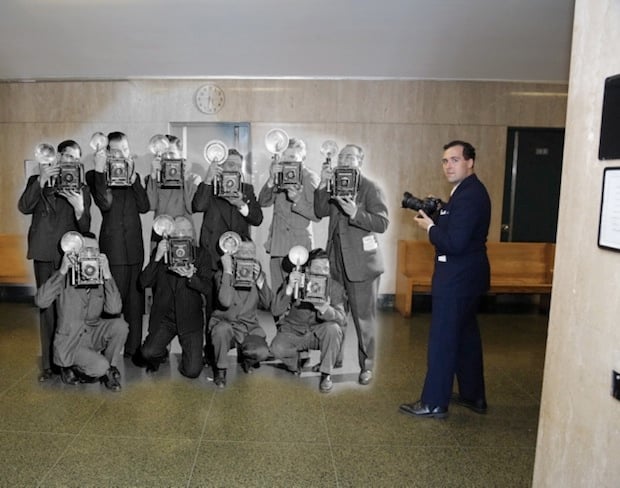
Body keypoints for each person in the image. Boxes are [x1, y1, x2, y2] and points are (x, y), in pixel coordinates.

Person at [399, 140, 491, 419]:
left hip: (457, 280)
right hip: (467, 278)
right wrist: (441, 212)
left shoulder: (470, 195)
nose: (448, 166)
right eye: (445, 161)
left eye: (455, 160)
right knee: (465, 338)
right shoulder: (466, 192)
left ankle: (434, 402)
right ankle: (473, 395)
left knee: (443, 341)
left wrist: (430, 228)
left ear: (470, 162)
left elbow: (455, 242)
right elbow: (459, 229)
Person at [314, 144, 388, 385]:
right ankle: (333, 359)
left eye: (350, 157)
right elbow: (319, 210)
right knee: (336, 316)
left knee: (363, 319)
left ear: (360, 161)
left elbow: (382, 223)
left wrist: (356, 213)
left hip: (361, 265)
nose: (344, 160)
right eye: (342, 156)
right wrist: (322, 186)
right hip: (335, 262)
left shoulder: (370, 187)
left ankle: (366, 366)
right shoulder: (335, 183)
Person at [18, 139, 92, 382]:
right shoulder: (37, 180)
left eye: (75, 158)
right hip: (42, 252)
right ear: (59, 156)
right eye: (67, 156)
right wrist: (40, 180)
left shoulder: (82, 186)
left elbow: (85, 227)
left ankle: (65, 362)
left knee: (68, 311)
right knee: (46, 308)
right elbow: (24, 207)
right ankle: (49, 365)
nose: (70, 161)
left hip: (68, 256)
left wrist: (79, 207)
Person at [34, 233, 128, 391]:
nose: (91, 254)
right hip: (71, 341)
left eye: (95, 250)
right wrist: (63, 271)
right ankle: (72, 368)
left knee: (121, 326)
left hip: (92, 333)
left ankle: (109, 369)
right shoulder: (63, 276)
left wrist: (107, 275)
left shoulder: (99, 276)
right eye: (86, 250)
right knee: (98, 367)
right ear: (75, 252)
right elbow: (41, 301)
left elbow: (114, 309)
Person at [192, 148, 263, 355]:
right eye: (229, 164)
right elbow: (198, 205)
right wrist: (207, 179)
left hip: (240, 259)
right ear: (221, 166)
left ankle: (245, 349)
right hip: (213, 257)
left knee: (241, 306)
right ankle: (212, 351)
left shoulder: (246, 189)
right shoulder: (211, 187)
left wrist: (240, 203)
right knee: (212, 307)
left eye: (237, 166)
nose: (234, 169)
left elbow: (257, 218)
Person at [86, 131, 150, 359]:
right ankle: (105, 351)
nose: (122, 154)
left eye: (125, 149)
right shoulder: (95, 176)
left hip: (135, 248)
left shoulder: (135, 176)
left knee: (135, 302)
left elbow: (144, 207)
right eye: (116, 151)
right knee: (112, 301)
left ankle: (133, 349)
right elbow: (104, 202)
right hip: (113, 249)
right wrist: (101, 170)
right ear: (106, 153)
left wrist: (134, 181)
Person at [133, 216, 208, 379]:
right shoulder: (161, 251)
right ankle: (160, 353)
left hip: (190, 318)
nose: (185, 234)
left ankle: (189, 358)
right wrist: (158, 256)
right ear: (170, 234)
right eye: (180, 231)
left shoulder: (201, 254)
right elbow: (143, 282)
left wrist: (192, 277)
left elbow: (208, 288)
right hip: (165, 318)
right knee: (148, 353)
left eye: (189, 231)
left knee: (193, 371)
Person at [270, 248, 347, 393]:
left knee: (333, 329)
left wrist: (325, 308)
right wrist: (289, 288)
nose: (322, 272)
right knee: (276, 348)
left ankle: (326, 375)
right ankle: (294, 363)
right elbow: (275, 310)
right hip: (294, 331)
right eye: (317, 268)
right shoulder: (295, 281)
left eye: (326, 268)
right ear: (307, 269)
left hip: (318, 334)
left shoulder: (335, 287)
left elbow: (342, 319)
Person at [257, 137, 320, 293]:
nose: (287, 160)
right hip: (277, 245)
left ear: (302, 158)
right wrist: (271, 179)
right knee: (280, 294)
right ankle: (280, 318)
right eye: (285, 156)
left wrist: (298, 200)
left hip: (298, 247)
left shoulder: (309, 177)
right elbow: (263, 202)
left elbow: (317, 215)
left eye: (292, 157)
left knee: (297, 294)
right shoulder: (278, 176)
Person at [208, 238, 272, 388]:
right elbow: (225, 301)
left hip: (248, 328)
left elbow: (269, 304)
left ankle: (247, 359)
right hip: (226, 325)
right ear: (234, 254)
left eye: (251, 252)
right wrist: (228, 271)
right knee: (221, 330)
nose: (247, 256)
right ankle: (221, 370)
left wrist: (260, 282)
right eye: (243, 252)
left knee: (261, 352)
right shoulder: (222, 274)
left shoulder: (258, 275)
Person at [145, 134, 201, 244]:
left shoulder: (194, 178)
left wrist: (185, 179)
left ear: (180, 155)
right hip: (161, 233)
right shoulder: (152, 178)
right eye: (163, 155)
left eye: (171, 154)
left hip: (185, 234)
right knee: (157, 261)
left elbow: (190, 208)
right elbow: (151, 206)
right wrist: (153, 176)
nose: (167, 158)